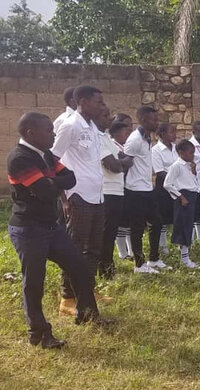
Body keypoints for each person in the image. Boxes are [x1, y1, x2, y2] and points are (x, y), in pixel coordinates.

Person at [8, 113, 114, 348]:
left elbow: (70, 178)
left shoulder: (45, 155)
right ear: (30, 133)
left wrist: (49, 182)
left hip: (50, 226)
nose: (53, 133)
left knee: (78, 265)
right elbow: (47, 190)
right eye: (48, 130)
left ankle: (87, 313)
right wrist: (51, 182)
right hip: (28, 229)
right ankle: (39, 332)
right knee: (34, 281)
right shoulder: (19, 159)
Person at [51, 85, 108, 316]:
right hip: (78, 196)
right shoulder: (70, 125)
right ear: (82, 101)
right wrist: (63, 197)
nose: (101, 106)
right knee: (73, 249)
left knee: (93, 249)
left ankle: (87, 291)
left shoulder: (93, 127)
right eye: (98, 102)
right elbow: (53, 160)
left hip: (97, 196)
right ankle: (68, 297)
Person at [124, 106, 168, 274]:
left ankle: (154, 259)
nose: (156, 123)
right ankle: (139, 264)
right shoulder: (135, 139)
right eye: (153, 119)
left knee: (157, 222)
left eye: (157, 119)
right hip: (135, 190)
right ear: (142, 120)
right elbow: (126, 164)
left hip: (147, 188)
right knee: (137, 227)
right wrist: (125, 189)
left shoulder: (147, 138)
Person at [97, 114, 133, 281]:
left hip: (117, 191)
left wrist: (122, 162)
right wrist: (123, 162)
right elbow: (114, 166)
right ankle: (105, 270)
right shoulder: (100, 139)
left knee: (110, 233)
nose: (110, 117)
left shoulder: (106, 139)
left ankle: (107, 267)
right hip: (108, 192)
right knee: (105, 234)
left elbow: (121, 161)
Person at [164, 139, 200, 269]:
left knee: (189, 226)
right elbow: (167, 184)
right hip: (184, 198)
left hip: (191, 196)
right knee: (183, 228)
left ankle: (185, 256)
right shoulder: (176, 166)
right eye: (190, 153)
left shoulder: (188, 165)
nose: (192, 155)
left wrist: (194, 171)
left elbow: (191, 181)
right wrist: (181, 197)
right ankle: (185, 260)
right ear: (181, 153)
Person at [152, 123, 178, 256]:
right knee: (162, 217)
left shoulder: (176, 148)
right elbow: (159, 171)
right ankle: (163, 245)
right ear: (162, 134)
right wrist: (175, 177)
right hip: (163, 186)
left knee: (177, 214)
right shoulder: (156, 150)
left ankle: (179, 242)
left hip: (177, 185)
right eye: (171, 132)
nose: (174, 134)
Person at [110, 119, 133, 260]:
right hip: (118, 186)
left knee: (129, 220)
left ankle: (131, 251)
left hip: (128, 186)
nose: (128, 135)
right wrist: (125, 160)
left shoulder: (124, 147)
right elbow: (123, 163)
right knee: (121, 221)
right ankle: (122, 252)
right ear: (117, 134)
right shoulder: (114, 146)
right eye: (126, 132)